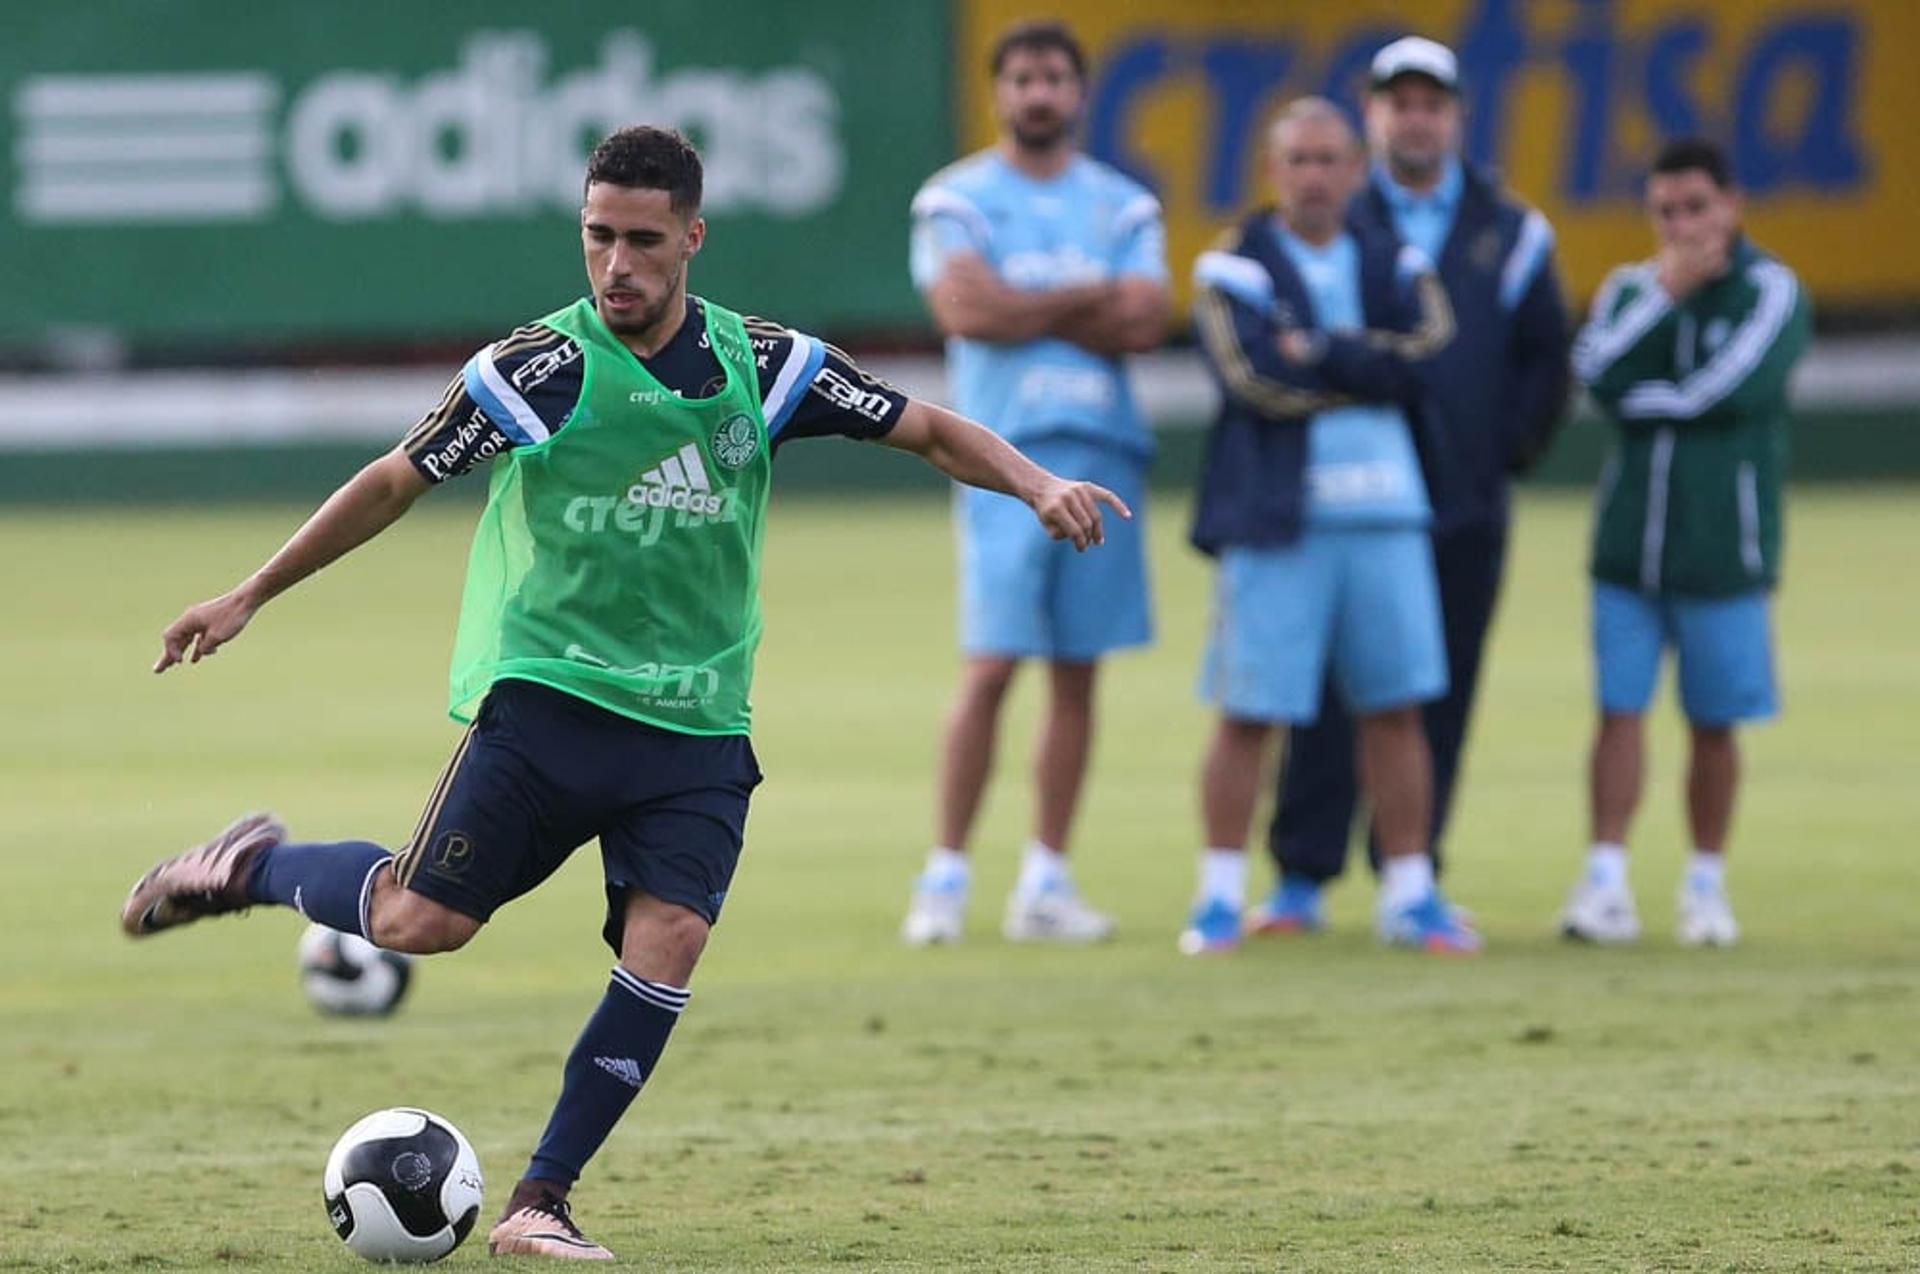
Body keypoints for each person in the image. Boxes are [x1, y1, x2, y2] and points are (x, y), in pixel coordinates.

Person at [120, 125, 1128, 1262]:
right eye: (599, 235)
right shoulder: (535, 369)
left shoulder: (770, 364)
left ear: (692, 237)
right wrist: (251, 591)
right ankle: (250, 865)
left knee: (672, 937)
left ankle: (542, 1197)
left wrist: (1036, 481)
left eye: (643, 240)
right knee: (418, 919)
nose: (617, 265)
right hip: (549, 702)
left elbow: (926, 426)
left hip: (697, 723)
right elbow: (396, 478)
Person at [1252, 35, 1571, 935]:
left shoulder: (1509, 229)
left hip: (1463, 499)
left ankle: (1411, 874)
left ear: (1456, 115)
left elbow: (1547, 357)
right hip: (1346, 493)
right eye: (1399, 102)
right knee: (1318, 690)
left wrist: (1500, 451)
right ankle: (1301, 877)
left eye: (1432, 102)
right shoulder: (1335, 219)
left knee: (1437, 687)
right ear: (1374, 115)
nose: (1416, 117)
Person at [1181, 97, 1480, 956]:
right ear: (1274, 172)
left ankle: (1412, 894)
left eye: (1329, 160)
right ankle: (1217, 898)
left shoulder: (1396, 258)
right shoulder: (1233, 265)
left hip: (1387, 511)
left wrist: (1322, 348)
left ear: (1355, 169)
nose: (1315, 177)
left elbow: (1432, 356)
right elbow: (1251, 376)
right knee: (1248, 712)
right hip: (1278, 522)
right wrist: (1366, 362)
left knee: (1395, 707)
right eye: (1298, 161)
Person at [899, 19, 1170, 946]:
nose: (1038, 94)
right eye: (1021, 78)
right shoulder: (957, 197)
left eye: (1054, 77)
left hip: (1105, 452)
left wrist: (1026, 305)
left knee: (1078, 673)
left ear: (1080, 91)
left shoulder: (1124, 202)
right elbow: (967, 308)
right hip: (1002, 461)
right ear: (1000, 91)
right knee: (991, 665)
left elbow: (1146, 320)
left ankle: (1046, 878)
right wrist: (1084, 299)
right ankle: (946, 875)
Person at [1560, 136, 1808, 947]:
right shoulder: (1637, 288)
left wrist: (1642, 399)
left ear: (1731, 205)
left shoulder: (1770, 290)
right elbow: (1595, 371)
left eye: (1696, 207)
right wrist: (1669, 295)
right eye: (1666, 211)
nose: (1683, 225)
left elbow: (1729, 391)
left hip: (1721, 548)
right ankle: (1605, 879)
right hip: (1630, 545)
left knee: (1713, 720)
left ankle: (1704, 883)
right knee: (1618, 712)